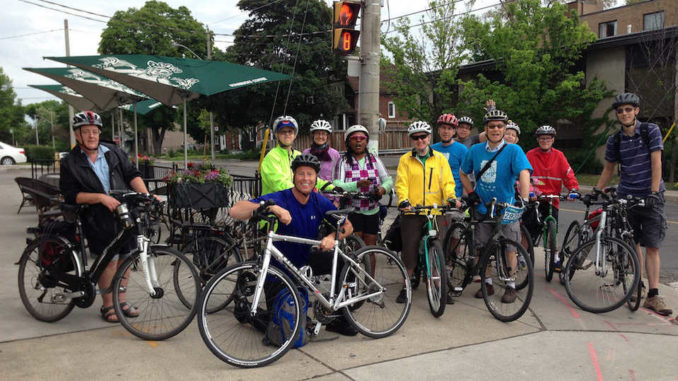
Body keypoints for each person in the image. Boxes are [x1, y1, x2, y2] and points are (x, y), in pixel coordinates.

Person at [229, 154, 357, 335]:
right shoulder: (281, 198)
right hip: (279, 270)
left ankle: (341, 318)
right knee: (287, 330)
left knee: (344, 265)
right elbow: (235, 210)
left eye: (310, 174)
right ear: (293, 177)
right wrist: (272, 207)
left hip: (306, 262)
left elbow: (347, 226)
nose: (306, 178)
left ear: (316, 178)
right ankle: (245, 311)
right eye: (301, 174)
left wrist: (332, 236)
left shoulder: (319, 201)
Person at [60, 111, 154, 323]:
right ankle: (108, 305)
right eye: (86, 132)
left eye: (95, 131)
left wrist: (145, 195)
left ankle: (121, 302)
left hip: (125, 212)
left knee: (126, 259)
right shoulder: (70, 162)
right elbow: (71, 195)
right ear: (77, 135)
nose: (92, 135)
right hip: (96, 217)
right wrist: (100, 198)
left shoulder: (113, 151)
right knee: (108, 262)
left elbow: (132, 174)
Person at [595, 92, 671, 316]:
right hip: (626, 197)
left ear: (636, 111)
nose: (625, 114)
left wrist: (654, 192)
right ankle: (638, 286)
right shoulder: (615, 140)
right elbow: (609, 169)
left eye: (629, 109)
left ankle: (654, 294)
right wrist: (597, 191)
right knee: (632, 243)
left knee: (652, 245)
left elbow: (656, 160)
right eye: (620, 111)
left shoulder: (650, 131)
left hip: (650, 197)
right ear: (617, 115)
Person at [459, 109, 532, 304]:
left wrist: (523, 200)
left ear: (505, 128)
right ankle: (488, 282)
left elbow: (524, 173)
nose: (496, 129)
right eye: (492, 126)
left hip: (506, 208)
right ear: (485, 129)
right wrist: (471, 193)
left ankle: (510, 285)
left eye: (500, 126)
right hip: (482, 207)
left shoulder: (513, 150)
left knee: (510, 247)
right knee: (483, 247)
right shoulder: (475, 151)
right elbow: (463, 172)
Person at [395, 120, 459, 304]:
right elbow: (402, 183)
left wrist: (451, 198)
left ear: (429, 137)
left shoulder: (439, 159)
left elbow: (447, 182)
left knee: (438, 246)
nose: (420, 140)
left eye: (423, 136)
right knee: (409, 249)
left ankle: (439, 286)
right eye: (416, 138)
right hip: (412, 211)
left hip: (435, 210)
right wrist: (403, 201)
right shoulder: (405, 159)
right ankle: (406, 285)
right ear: (412, 140)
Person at [524, 125, 579, 270]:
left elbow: (568, 174)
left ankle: (555, 258)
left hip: (552, 198)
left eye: (548, 138)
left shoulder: (559, 156)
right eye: (542, 138)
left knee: (552, 230)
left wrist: (573, 189)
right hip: (535, 198)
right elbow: (524, 175)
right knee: (529, 228)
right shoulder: (530, 154)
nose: (545, 140)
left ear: (553, 139)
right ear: (538, 140)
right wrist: (529, 191)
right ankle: (522, 255)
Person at [332, 125, 393, 248]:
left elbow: (388, 180)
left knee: (371, 246)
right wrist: (356, 184)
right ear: (348, 142)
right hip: (353, 210)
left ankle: (370, 268)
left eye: (362, 138)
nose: (358, 141)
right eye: (354, 138)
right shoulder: (343, 161)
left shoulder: (374, 160)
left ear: (366, 141)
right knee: (355, 246)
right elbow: (337, 184)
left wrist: (382, 189)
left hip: (373, 210)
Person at [260, 115, 333, 195]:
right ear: (277, 135)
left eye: (290, 131)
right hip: (275, 203)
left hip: (296, 201)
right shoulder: (272, 157)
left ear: (295, 135)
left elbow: (311, 177)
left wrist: (330, 187)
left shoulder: (298, 155)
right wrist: (302, 191)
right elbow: (278, 183)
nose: (287, 134)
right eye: (283, 132)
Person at [431, 113, 468, 198]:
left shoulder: (462, 149)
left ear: (454, 131)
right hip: (434, 196)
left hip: (455, 196)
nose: (446, 131)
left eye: (449, 128)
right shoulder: (432, 149)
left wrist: (465, 196)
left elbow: (466, 174)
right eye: (443, 128)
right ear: (438, 130)